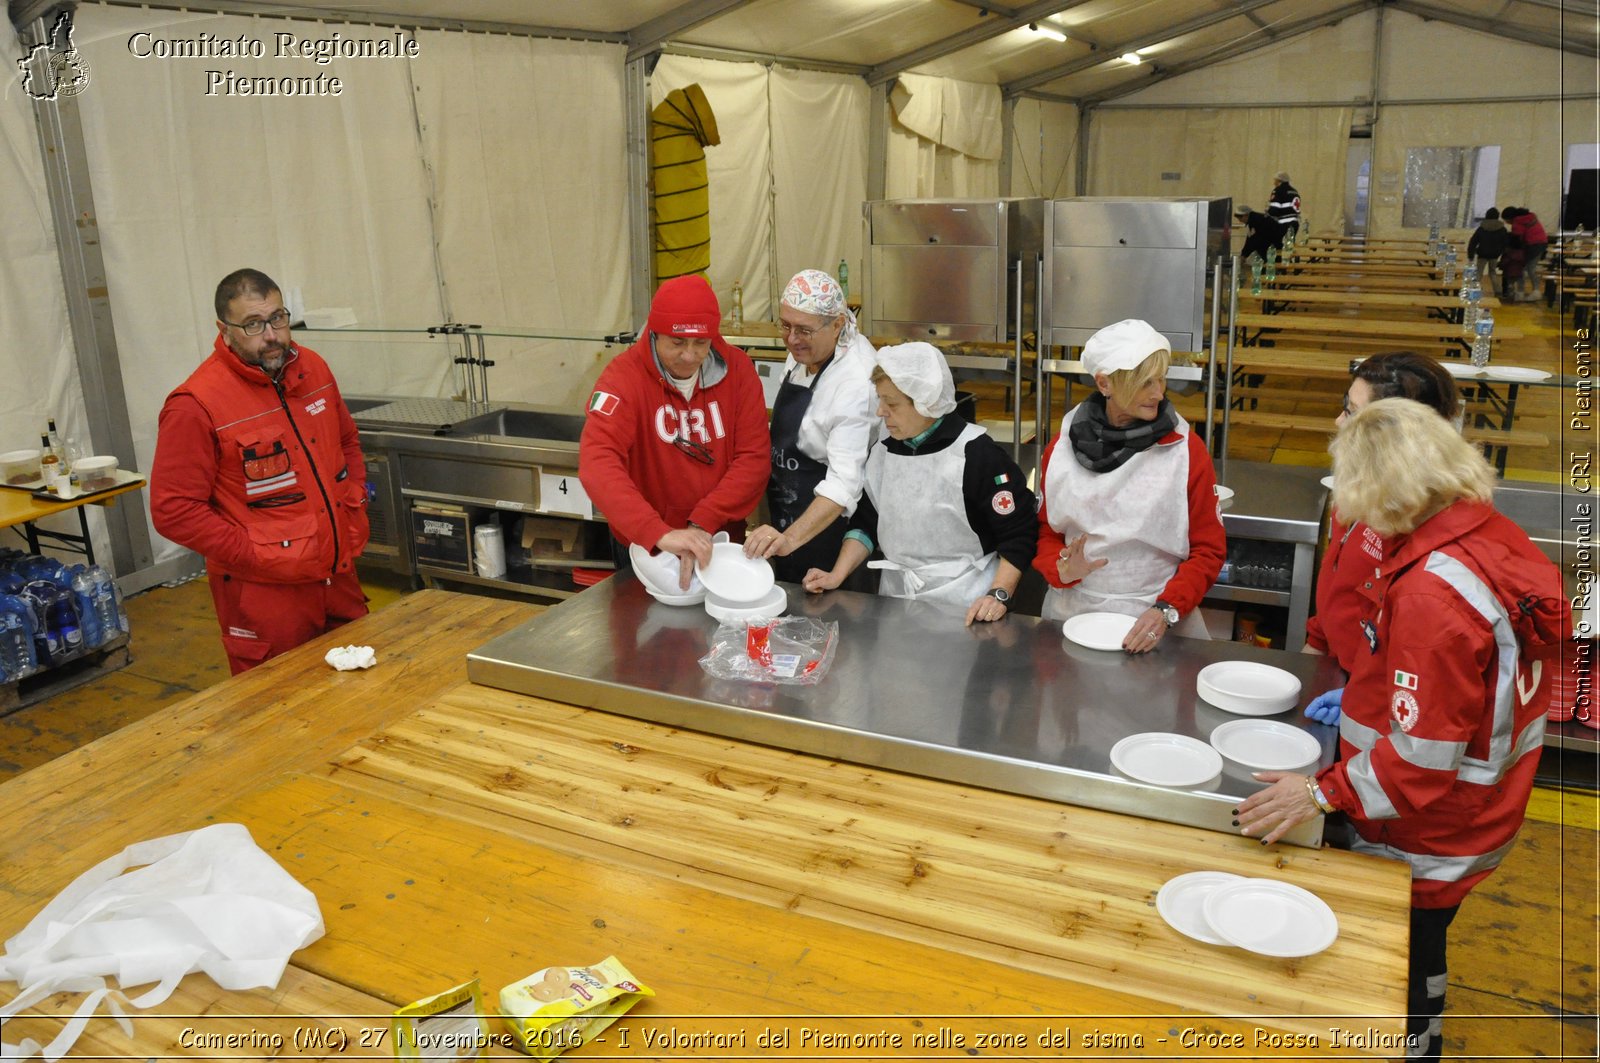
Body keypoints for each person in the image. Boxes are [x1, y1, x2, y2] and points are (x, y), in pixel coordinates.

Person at [1235, 399, 1567, 1063]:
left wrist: (1321, 792)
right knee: (1425, 941)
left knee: (1403, 952)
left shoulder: (1434, 595)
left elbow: (1419, 763)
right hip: (1484, 813)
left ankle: (1414, 1043)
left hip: (1428, 832)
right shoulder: (1485, 533)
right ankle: (1424, 1025)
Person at [150, 268, 370, 674]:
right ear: (225, 329)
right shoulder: (195, 405)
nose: (271, 335)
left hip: (336, 574)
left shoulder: (313, 369)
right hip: (265, 595)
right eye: (253, 324)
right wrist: (253, 554)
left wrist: (353, 499)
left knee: (364, 696)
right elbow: (175, 510)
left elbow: (346, 442)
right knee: (279, 710)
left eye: (278, 318)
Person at [802, 343, 1036, 626]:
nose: (880, 412)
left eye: (892, 403)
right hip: (896, 602)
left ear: (927, 402)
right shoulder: (884, 450)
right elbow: (867, 521)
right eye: (880, 400)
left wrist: (998, 595)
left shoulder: (977, 455)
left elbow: (1018, 534)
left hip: (967, 607)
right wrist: (837, 575)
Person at [1033, 319, 1225, 653]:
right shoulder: (1062, 447)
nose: (1158, 393)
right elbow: (1046, 532)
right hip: (1072, 615)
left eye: (1161, 379)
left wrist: (1167, 609)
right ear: (1104, 383)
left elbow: (1208, 550)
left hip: (1154, 621)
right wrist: (1062, 569)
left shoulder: (1184, 450)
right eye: (1144, 382)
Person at [578, 275, 770, 590]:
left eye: (701, 343)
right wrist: (657, 532)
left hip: (718, 543)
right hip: (646, 547)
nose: (690, 356)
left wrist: (703, 522)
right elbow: (598, 463)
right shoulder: (623, 379)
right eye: (677, 343)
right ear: (654, 334)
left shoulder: (738, 371)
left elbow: (754, 458)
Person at [1303, 352, 1461, 684]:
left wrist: (1364, 698)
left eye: (1354, 414)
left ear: (1399, 433)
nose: (1339, 422)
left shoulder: (1426, 522)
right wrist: (1316, 645)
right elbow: (1341, 583)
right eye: (1346, 405)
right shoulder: (1359, 488)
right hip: (1337, 671)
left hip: (1380, 695)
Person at [744, 269, 878, 584]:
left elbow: (843, 486)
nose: (792, 339)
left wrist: (790, 539)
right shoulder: (806, 351)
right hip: (788, 512)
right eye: (785, 325)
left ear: (837, 325)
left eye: (803, 330)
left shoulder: (856, 383)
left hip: (832, 530)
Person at [1506, 206, 1549, 303]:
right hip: (1542, 243)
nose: (1506, 223)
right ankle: (1534, 291)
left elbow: (1516, 239)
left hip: (1532, 245)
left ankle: (1524, 292)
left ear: (1510, 218)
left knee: (1523, 268)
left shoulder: (1517, 221)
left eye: (1506, 220)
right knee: (1529, 268)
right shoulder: (1529, 217)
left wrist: (1510, 248)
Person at [1465, 208, 1509, 297]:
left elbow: (1473, 241)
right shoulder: (1502, 229)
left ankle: (1473, 288)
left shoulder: (1482, 228)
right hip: (1495, 254)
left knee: (1478, 273)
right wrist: (1503, 253)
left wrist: (1471, 255)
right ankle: (1498, 291)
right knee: (1493, 273)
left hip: (1482, 254)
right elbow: (1505, 243)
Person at [1266, 171, 1301, 240]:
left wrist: (1267, 214)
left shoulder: (1278, 190)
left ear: (1279, 180)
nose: (1274, 183)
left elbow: (1274, 210)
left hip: (1283, 224)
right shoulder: (1294, 191)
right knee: (1289, 247)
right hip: (1295, 223)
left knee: (1278, 247)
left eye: (1275, 180)